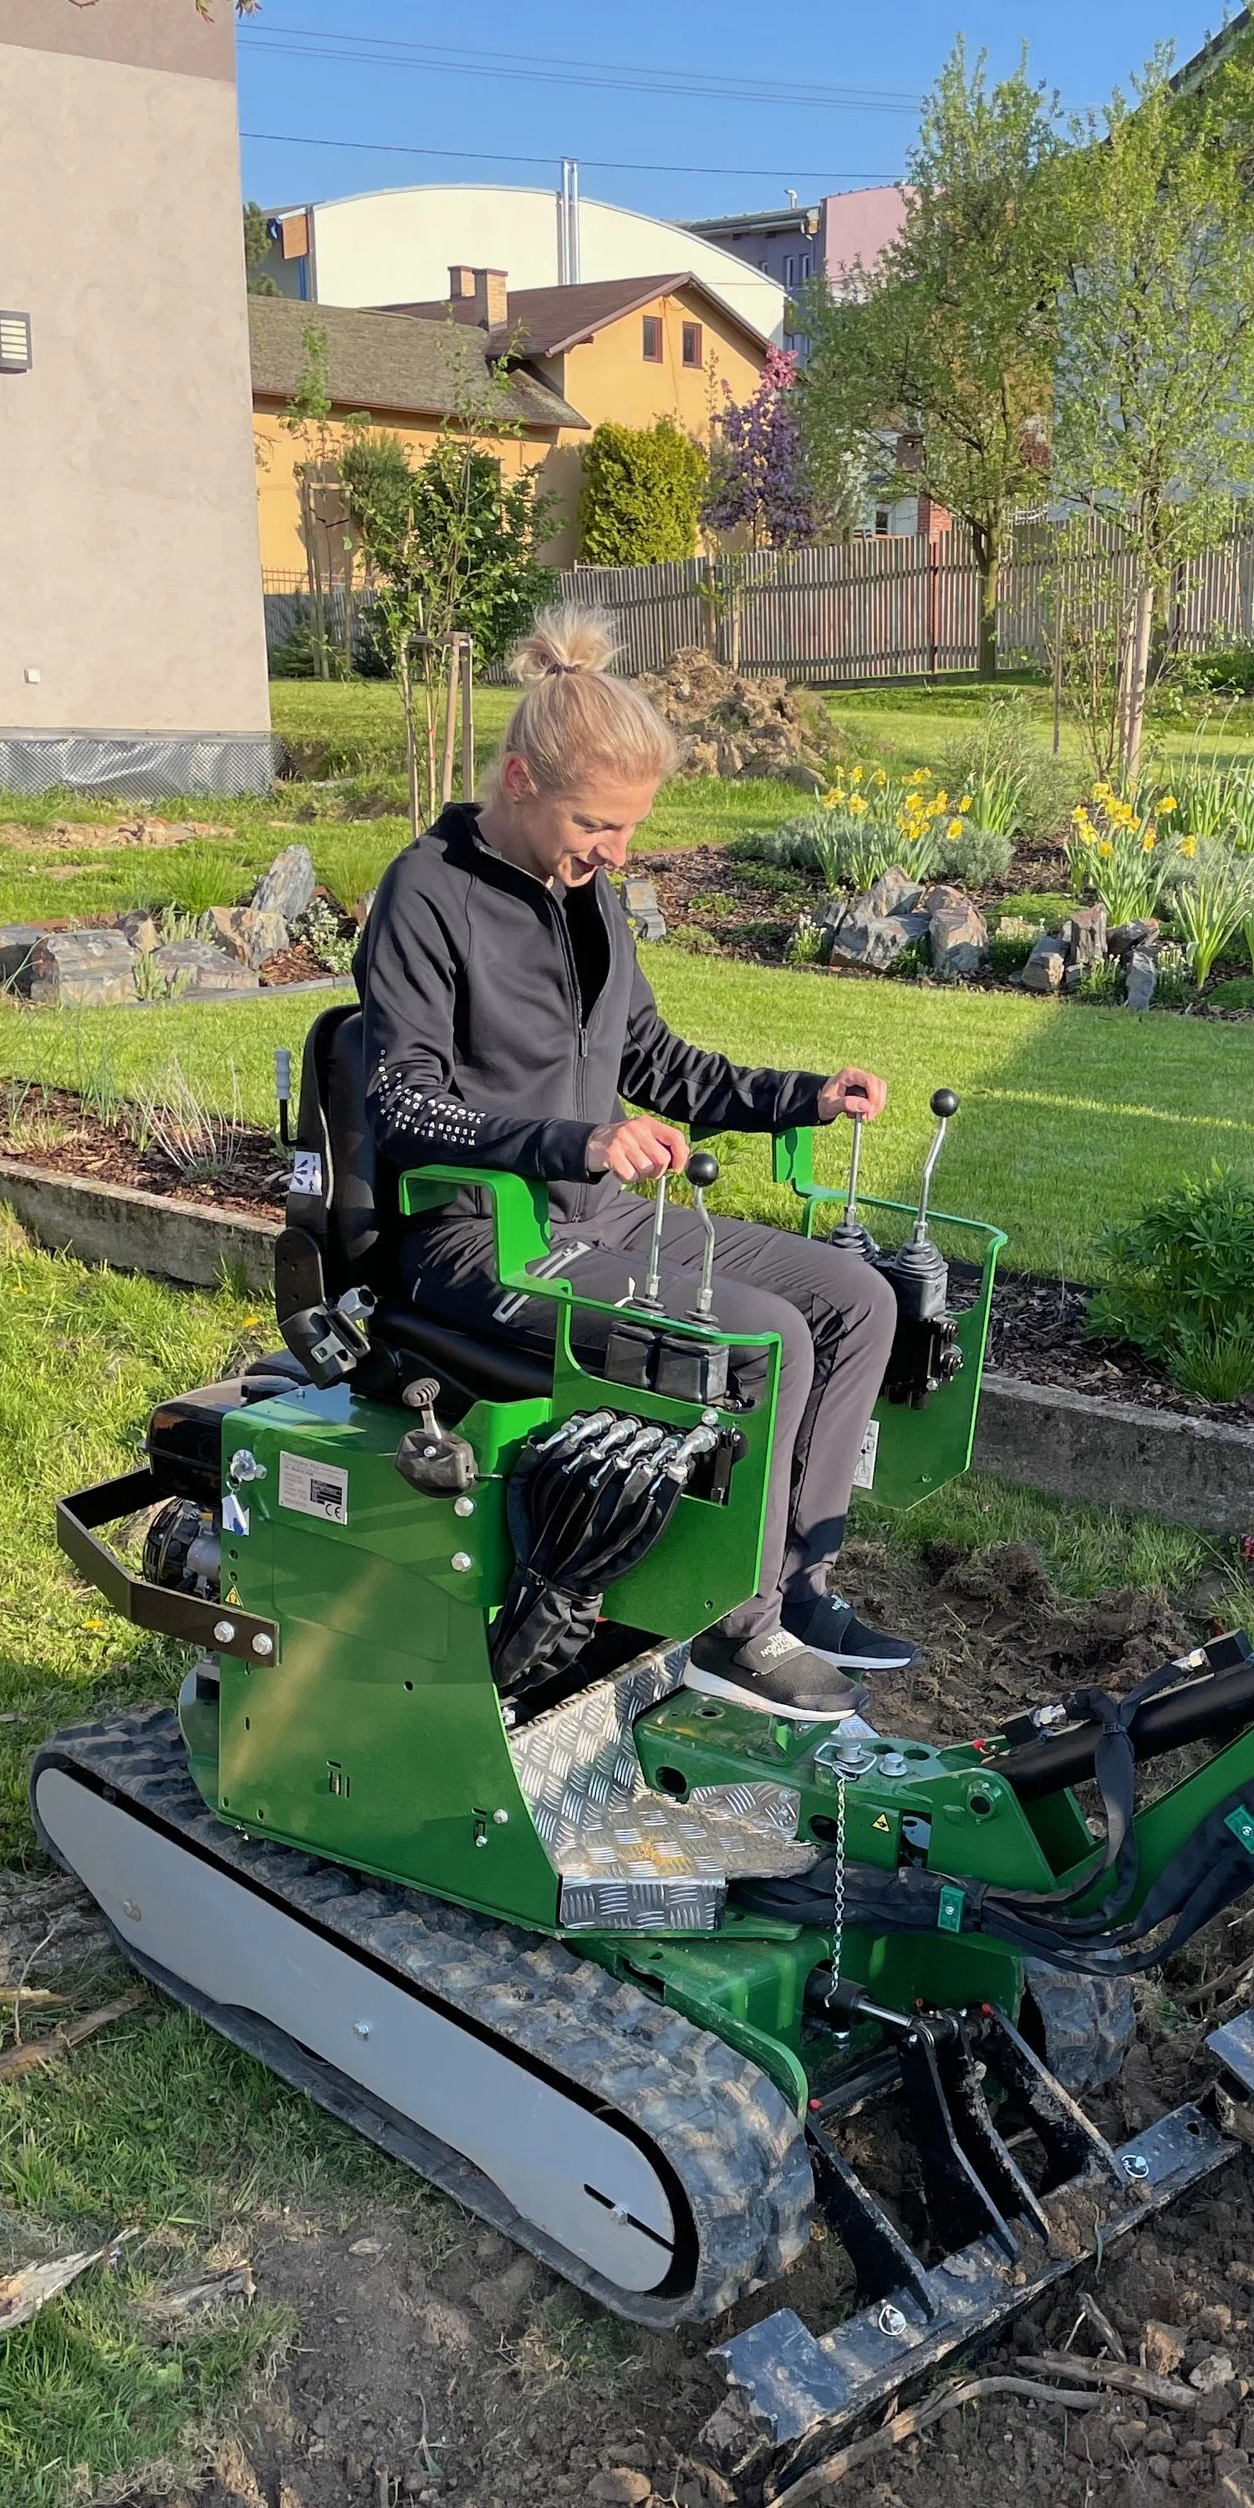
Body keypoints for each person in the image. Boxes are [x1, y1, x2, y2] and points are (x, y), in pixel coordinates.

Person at [354, 613, 914, 1723]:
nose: (617, 850)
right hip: (477, 1242)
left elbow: (647, 1057)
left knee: (855, 1300)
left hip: (594, 1218)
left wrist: (795, 1095)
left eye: (628, 829)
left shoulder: (586, 897)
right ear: (520, 778)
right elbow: (397, 1102)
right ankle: (731, 1630)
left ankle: (796, 1586)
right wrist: (572, 1143)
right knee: (765, 1337)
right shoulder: (426, 894)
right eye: (597, 823)